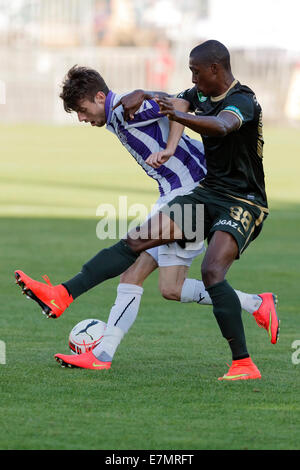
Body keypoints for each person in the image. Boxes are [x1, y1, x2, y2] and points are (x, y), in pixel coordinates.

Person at [15, 41, 279, 380]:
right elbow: (175, 99)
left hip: (194, 191)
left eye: (81, 109)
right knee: (171, 287)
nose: (81, 118)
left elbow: (175, 109)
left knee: (135, 264)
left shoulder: (127, 110)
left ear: (98, 98)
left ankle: (76, 315)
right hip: (183, 192)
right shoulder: (120, 110)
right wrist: (143, 92)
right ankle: (257, 305)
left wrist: (167, 141)